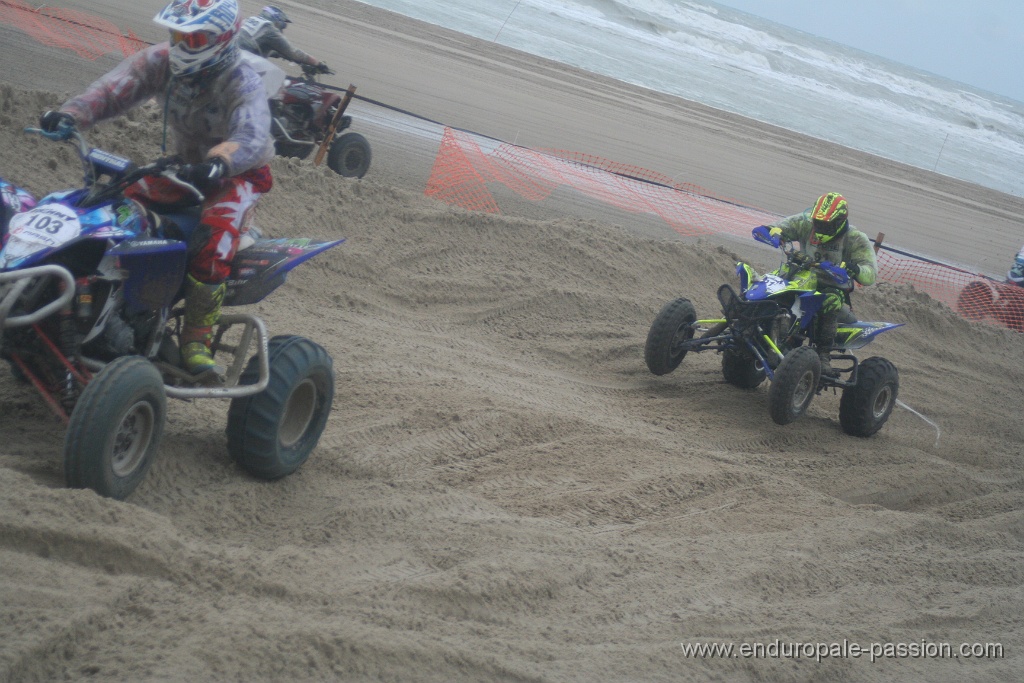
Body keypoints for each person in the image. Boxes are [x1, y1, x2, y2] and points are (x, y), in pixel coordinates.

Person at [39, 0, 275, 375]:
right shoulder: (159, 61)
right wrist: (71, 114)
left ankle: (196, 339)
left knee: (214, 242)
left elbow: (251, 132)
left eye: (195, 37)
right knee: (112, 208)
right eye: (178, 35)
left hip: (236, 173)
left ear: (223, 38)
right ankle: (102, 304)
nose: (183, 45)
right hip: (184, 167)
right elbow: (113, 91)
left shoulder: (240, 78)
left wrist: (220, 162)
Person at [754, 192, 878, 376]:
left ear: (838, 221)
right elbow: (781, 227)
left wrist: (854, 269)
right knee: (769, 283)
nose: (819, 227)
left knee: (831, 302)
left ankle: (823, 355)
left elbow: (871, 273)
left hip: (830, 286)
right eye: (817, 222)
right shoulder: (805, 223)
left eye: (825, 224)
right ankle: (754, 324)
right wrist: (772, 231)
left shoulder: (855, 238)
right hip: (798, 274)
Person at [238, 5, 330, 74]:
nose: (282, 28)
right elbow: (294, 53)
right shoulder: (269, 29)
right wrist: (318, 64)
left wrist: (280, 55)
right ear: (277, 19)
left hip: (231, 56)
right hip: (242, 66)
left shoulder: (249, 20)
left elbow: (255, 45)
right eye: (283, 24)